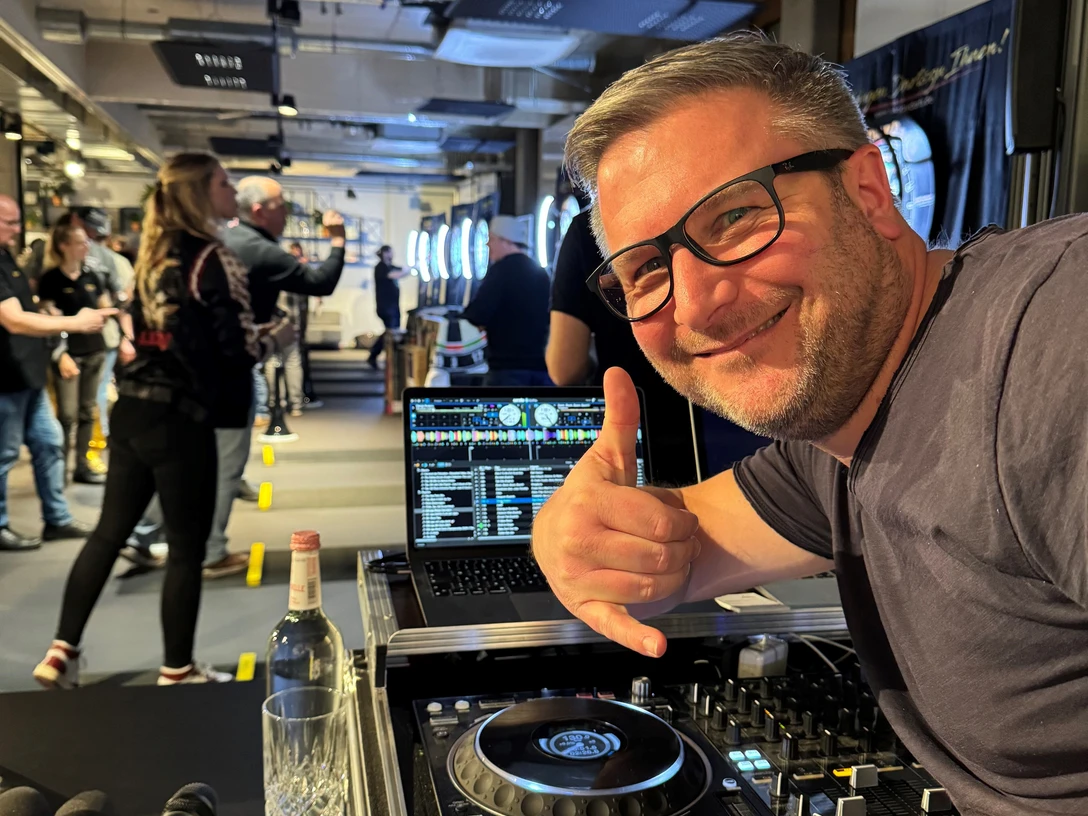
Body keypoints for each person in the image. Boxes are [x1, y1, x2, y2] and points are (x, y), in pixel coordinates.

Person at [531, 32, 1088, 816]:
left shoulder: (1053, 343)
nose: (695, 304)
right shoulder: (834, 438)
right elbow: (673, 544)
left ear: (868, 191)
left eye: (733, 218)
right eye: (649, 269)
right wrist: (567, 537)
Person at [33, 152, 261, 688]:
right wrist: (272, 337)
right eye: (225, 183)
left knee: (109, 533)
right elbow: (236, 346)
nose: (234, 192)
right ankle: (177, 669)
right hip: (181, 418)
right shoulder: (213, 256)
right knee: (185, 549)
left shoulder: (151, 257)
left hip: (133, 408)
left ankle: (61, 649)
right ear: (201, 193)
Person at [201, 176, 345, 577]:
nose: (288, 212)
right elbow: (321, 282)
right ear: (260, 210)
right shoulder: (255, 248)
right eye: (282, 204)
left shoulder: (232, 242)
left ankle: (152, 534)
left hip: (211, 368)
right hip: (227, 371)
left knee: (207, 458)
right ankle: (210, 551)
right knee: (224, 461)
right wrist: (337, 240)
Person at [548, 210, 727, 485]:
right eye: (649, 268)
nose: (690, 310)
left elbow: (564, 367)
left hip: (639, 433)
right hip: (721, 431)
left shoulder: (584, 230)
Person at [0, 195, 110, 551]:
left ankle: (57, 518)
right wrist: (73, 324)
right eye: (10, 223)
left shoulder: (6, 258)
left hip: (27, 374)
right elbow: (14, 319)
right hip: (5, 377)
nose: (18, 230)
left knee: (50, 443)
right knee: (5, 455)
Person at [37, 223, 133, 483]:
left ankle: (83, 465)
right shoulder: (50, 280)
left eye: (86, 242)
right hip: (68, 354)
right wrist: (60, 354)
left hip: (95, 351)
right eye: (80, 242)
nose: (86, 246)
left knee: (87, 410)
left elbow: (107, 310)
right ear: (63, 246)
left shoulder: (94, 275)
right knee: (66, 415)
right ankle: (58, 471)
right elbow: (48, 319)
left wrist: (125, 335)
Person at [461, 216, 552, 386]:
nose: (487, 245)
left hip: (506, 369)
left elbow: (477, 315)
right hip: (543, 367)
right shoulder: (541, 272)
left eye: (491, 239)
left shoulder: (500, 271)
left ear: (506, 241)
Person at [366, 244, 407, 369]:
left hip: (392, 306)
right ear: (385, 253)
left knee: (389, 332)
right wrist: (405, 271)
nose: (392, 254)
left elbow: (401, 271)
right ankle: (376, 356)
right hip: (386, 307)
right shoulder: (381, 267)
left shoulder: (389, 267)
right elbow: (394, 274)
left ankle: (374, 356)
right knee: (391, 332)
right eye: (390, 252)